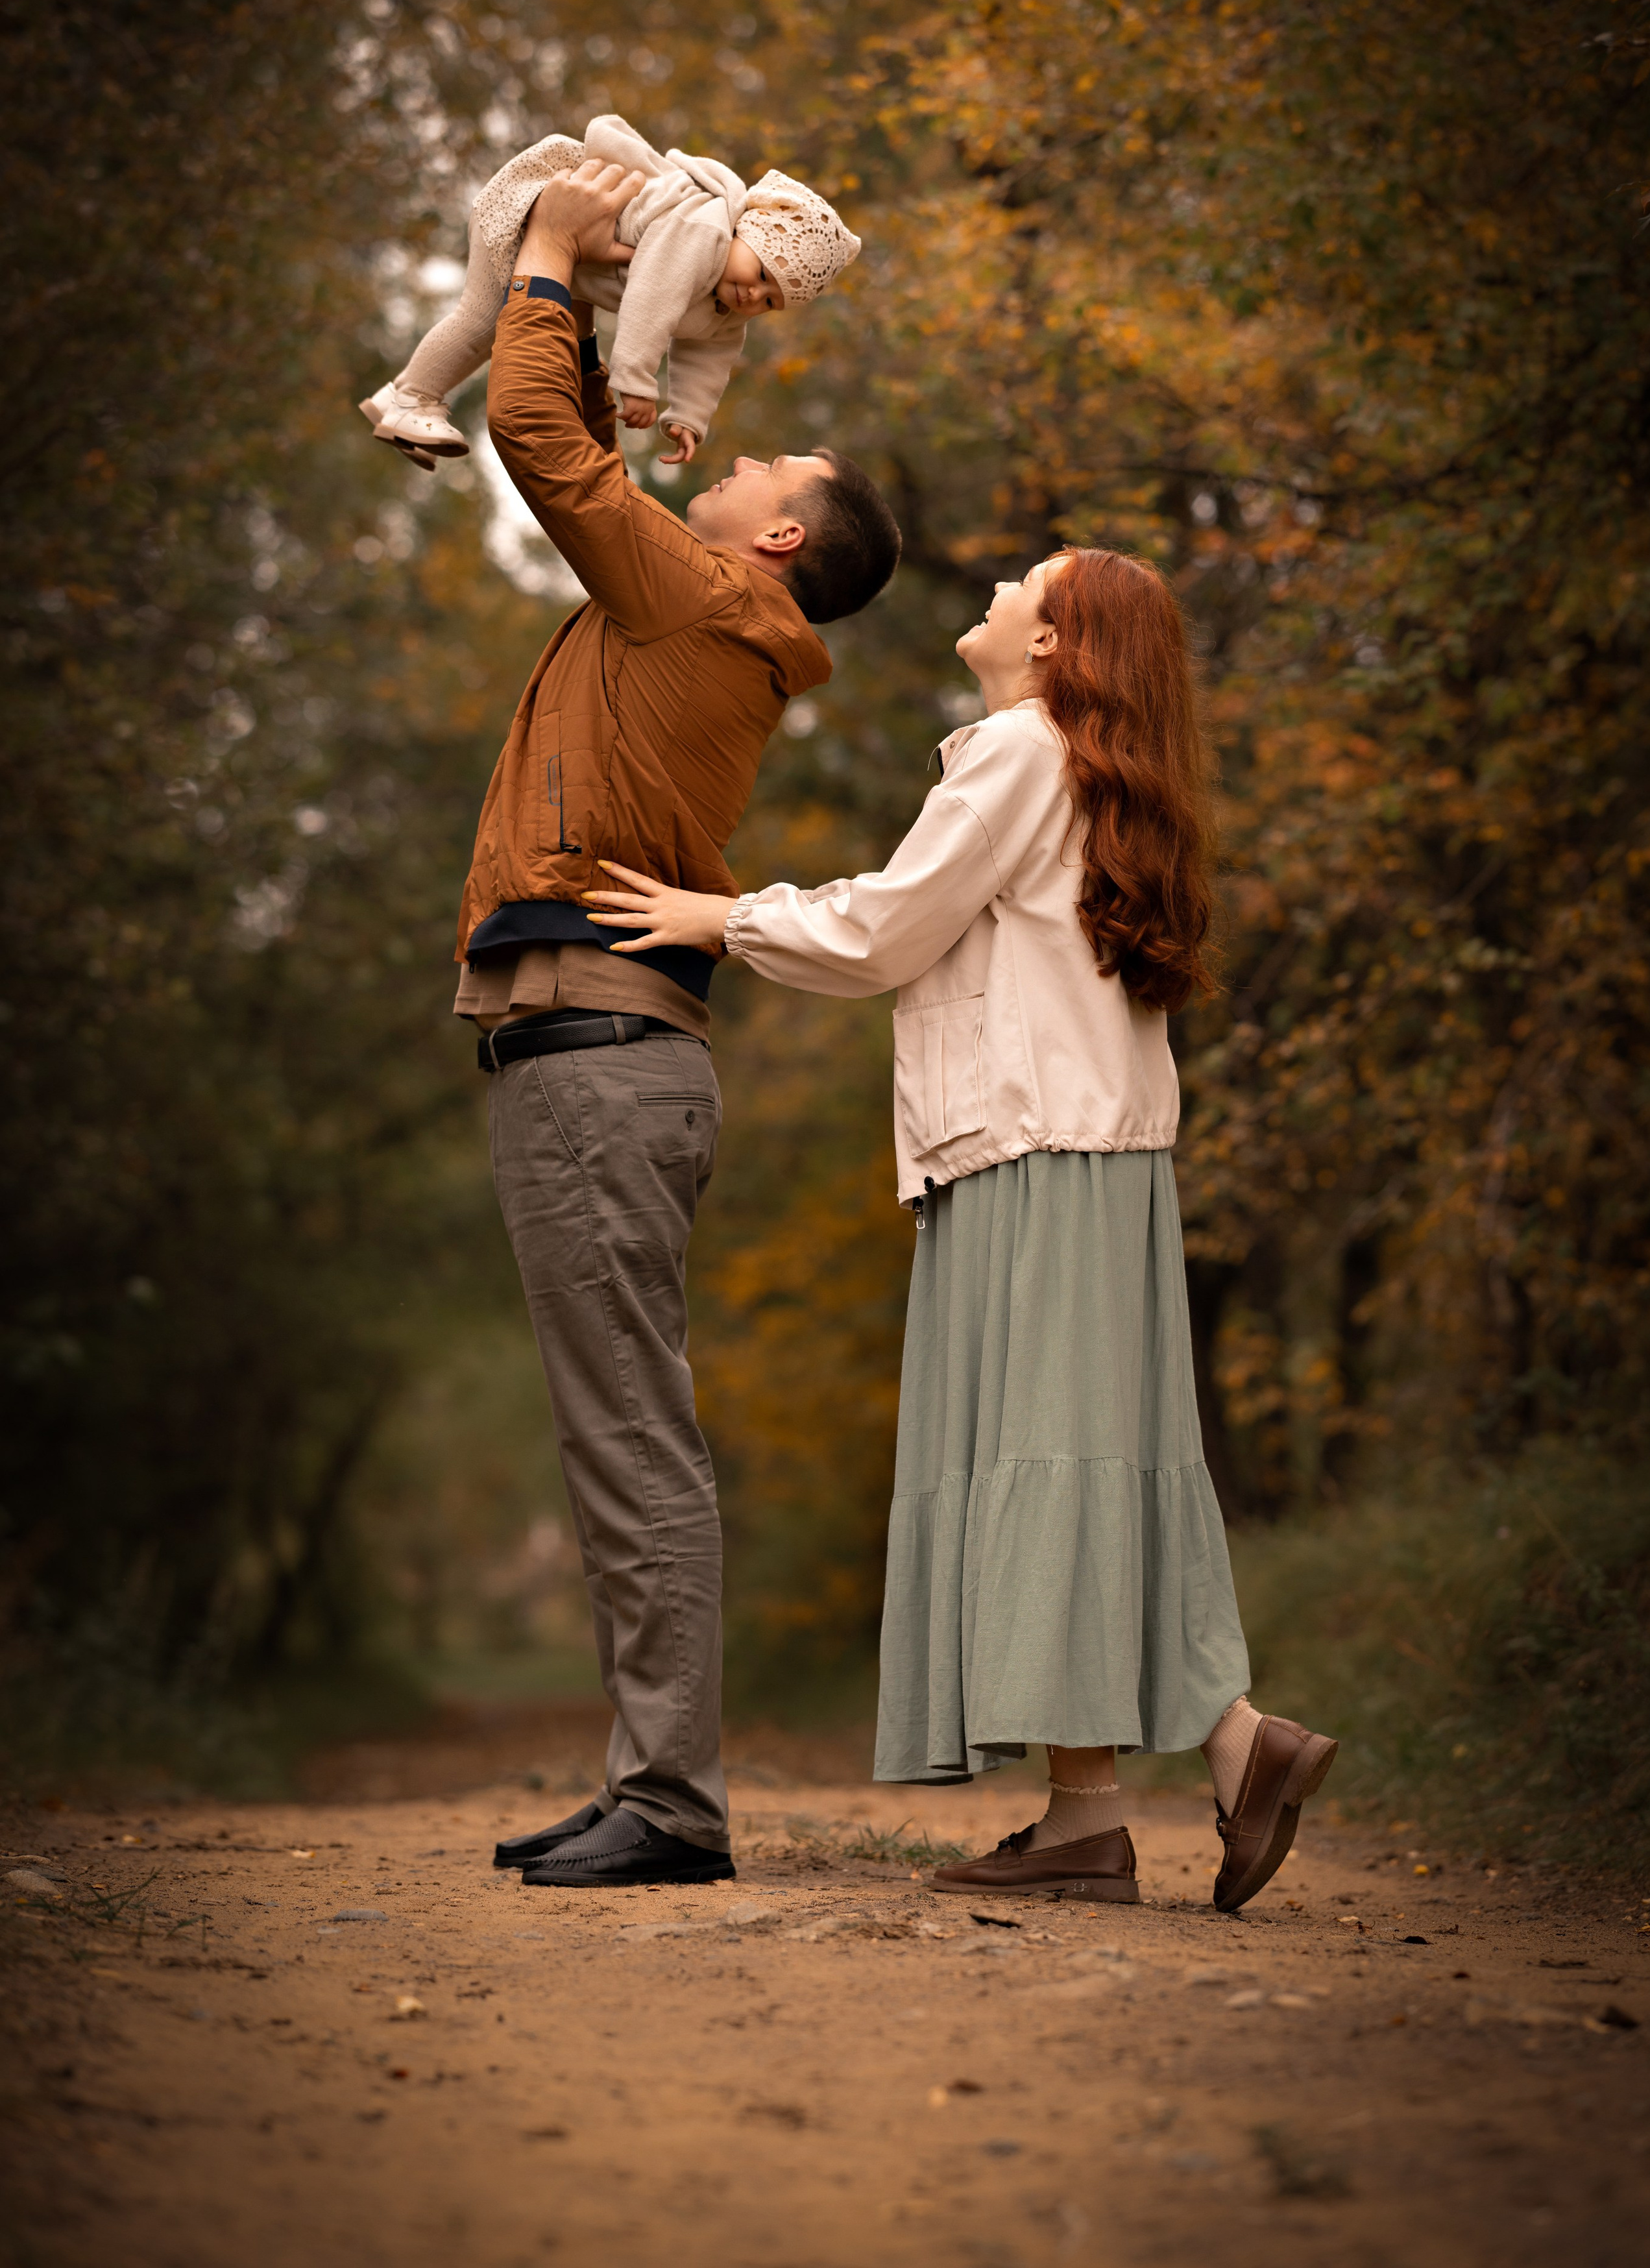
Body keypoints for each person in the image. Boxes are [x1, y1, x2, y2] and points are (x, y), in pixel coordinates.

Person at [584, 546, 1338, 1913]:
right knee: (1077, 1463)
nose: (990, 590)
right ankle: (1093, 1813)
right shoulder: (1079, 766)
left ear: (1054, 642)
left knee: (1051, 1466)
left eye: (1019, 583)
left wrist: (718, 914)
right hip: (1078, 1152)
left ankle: (1230, 1741)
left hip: (1029, 1149)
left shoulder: (1015, 751)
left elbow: (885, 929)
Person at [461, 159, 901, 1891]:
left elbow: (546, 449)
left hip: (599, 1057)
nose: (742, 463)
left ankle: (676, 1802)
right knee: (617, 1425)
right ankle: (653, 1774)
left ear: (782, 537)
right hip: (588, 1055)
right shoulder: (695, 603)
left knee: (631, 1431)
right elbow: (591, 447)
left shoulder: (704, 600)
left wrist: (560, 255)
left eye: (774, 469)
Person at [360, 111, 859, 470]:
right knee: (483, 320)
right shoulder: (704, 230)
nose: (754, 296)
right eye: (761, 273)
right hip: (547, 197)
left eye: (772, 301)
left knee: (494, 327)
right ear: (745, 233)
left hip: (570, 249)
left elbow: (711, 357)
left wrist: (687, 415)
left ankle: (395, 399)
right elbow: (652, 299)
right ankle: (414, 398)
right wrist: (636, 382)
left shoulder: (728, 307)